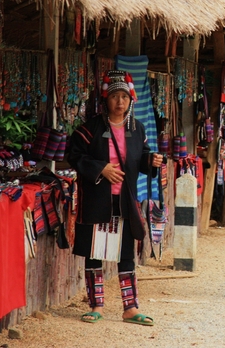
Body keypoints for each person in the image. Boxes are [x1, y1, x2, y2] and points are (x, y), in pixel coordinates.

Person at [68, 70, 164, 325]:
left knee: (125, 253)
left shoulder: (137, 128)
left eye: (124, 96)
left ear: (131, 99)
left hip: (124, 199)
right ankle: (96, 304)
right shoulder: (90, 129)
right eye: (114, 97)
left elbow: (141, 159)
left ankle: (130, 307)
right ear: (105, 100)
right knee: (94, 251)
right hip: (97, 198)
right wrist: (101, 168)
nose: (119, 102)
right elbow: (74, 156)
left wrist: (151, 160)